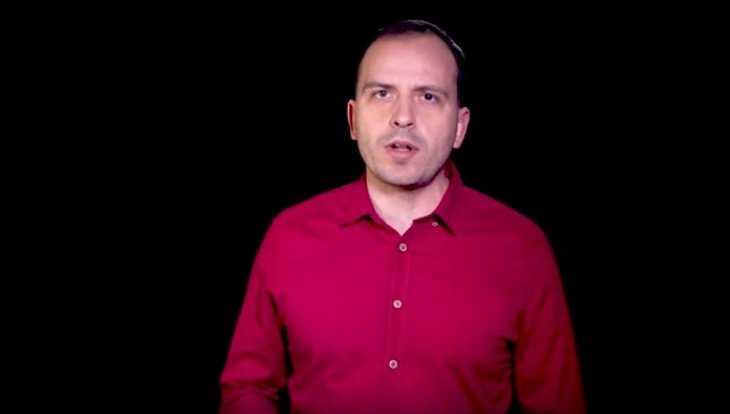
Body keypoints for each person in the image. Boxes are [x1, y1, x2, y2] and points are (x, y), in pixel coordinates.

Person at [220, 19, 585, 414]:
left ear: (460, 127)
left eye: (428, 96)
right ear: (353, 119)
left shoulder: (521, 247)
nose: (403, 117)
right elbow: (247, 387)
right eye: (382, 93)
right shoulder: (290, 236)